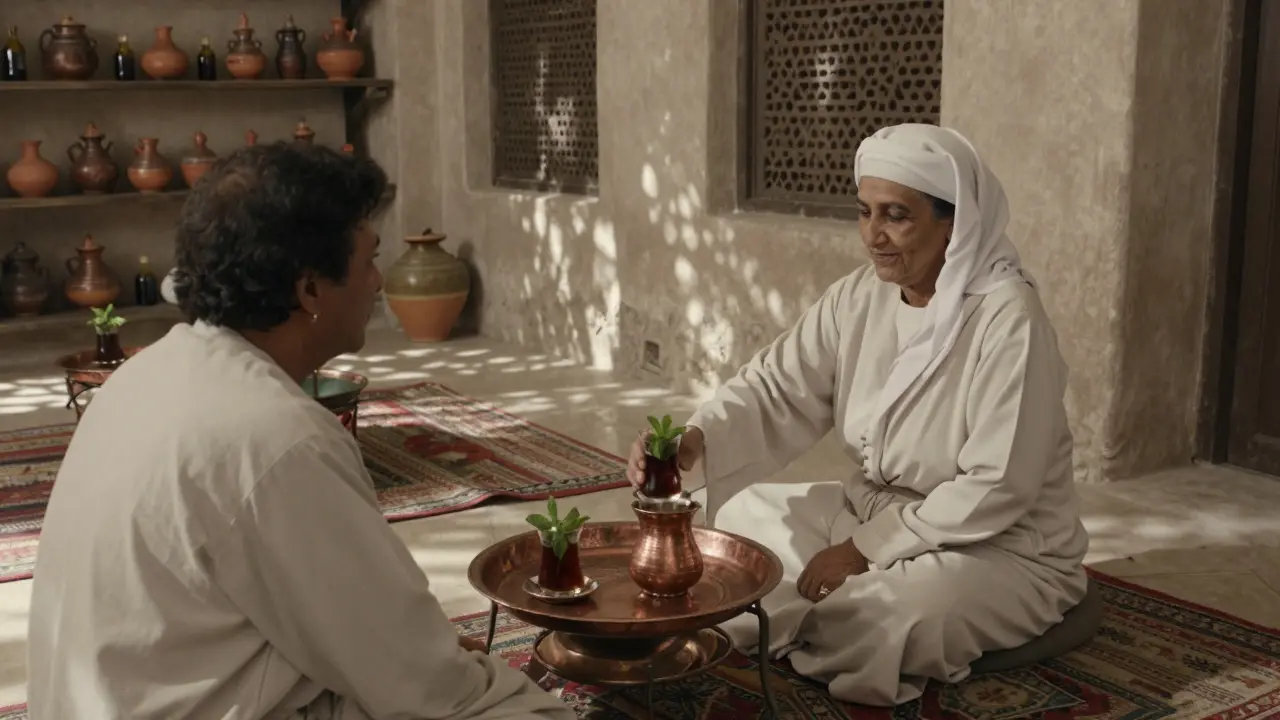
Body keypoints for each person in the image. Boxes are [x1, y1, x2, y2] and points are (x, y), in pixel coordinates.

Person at [27, 143, 573, 720]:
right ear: (311, 290)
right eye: (368, 260)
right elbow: (426, 687)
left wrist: (412, 656)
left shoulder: (146, 374)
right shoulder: (276, 437)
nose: (378, 283)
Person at [627, 124, 1090, 706]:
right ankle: (804, 617)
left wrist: (863, 551)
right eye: (865, 212)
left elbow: (999, 483)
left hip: (997, 544)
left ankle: (803, 620)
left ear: (957, 222)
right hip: (870, 512)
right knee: (741, 524)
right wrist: (697, 438)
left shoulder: (1007, 318)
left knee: (888, 620)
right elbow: (775, 387)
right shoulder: (859, 297)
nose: (874, 235)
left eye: (897, 215)